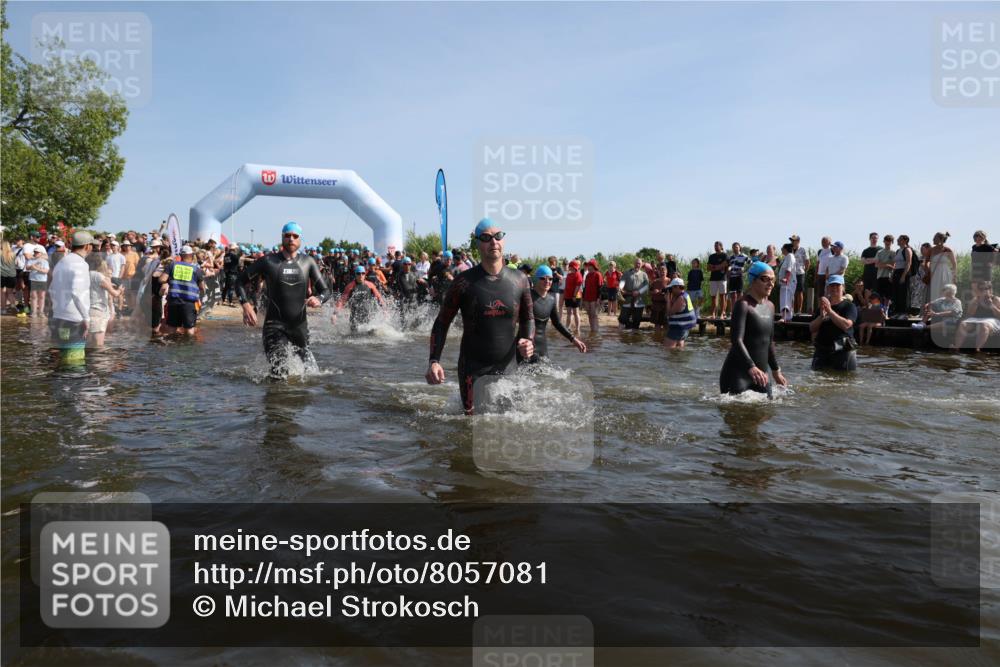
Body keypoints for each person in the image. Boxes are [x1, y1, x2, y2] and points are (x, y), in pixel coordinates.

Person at [425, 219, 534, 415]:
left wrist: (528, 340)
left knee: (510, 425)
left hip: (508, 367)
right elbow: (442, 322)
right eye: (486, 237)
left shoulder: (520, 280)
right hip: (472, 369)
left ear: (504, 240)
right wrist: (434, 361)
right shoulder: (463, 282)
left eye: (498, 236)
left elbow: (528, 318)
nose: (494, 242)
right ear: (477, 244)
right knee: (471, 429)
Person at [237, 222, 333, 379]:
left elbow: (326, 290)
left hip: (299, 327)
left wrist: (319, 299)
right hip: (274, 326)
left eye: (295, 236)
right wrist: (246, 306)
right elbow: (239, 281)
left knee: (310, 374)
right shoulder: (268, 261)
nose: (291, 239)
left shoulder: (308, 262)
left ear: (300, 239)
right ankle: (276, 403)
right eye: (287, 235)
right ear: (282, 237)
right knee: (279, 373)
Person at [719, 262, 787, 395]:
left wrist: (776, 371)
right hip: (738, 375)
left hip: (761, 376)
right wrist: (751, 366)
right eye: (765, 279)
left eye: (772, 280)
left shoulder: (771, 307)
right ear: (753, 280)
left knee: (766, 412)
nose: (771, 284)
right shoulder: (743, 305)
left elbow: (769, 342)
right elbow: (736, 340)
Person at [519, 265, 586, 363]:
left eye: (550, 279)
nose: (547, 281)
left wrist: (573, 339)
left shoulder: (551, 300)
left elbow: (557, 323)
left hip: (542, 347)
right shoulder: (527, 296)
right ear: (536, 279)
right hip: (525, 347)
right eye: (543, 278)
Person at [49, 231, 94, 363]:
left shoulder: (62, 262)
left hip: (59, 317)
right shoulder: (81, 264)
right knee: (75, 360)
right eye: (92, 245)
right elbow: (77, 292)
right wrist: (86, 318)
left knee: (64, 355)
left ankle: (62, 382)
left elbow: (51, 289)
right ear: (87, 246)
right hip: (75, 319)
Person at [809, 274, 858, 371]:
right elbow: (811, 328)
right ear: (827, 288)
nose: (834, 288)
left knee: (842, 379)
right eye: (832, 286)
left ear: (843, 288)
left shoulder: (849, 306)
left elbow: (847, 325)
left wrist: (830, 312)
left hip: (842, 349)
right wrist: (821, 317)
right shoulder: (821, 308)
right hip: (823, 349)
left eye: (837, 285)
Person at [158, 245, 206, 336]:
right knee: (189, 329)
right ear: (192, 255)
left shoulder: (172, 265)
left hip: (174, 301)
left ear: (180, 255)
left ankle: (172, 347)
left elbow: (162, 279)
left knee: (172, 328)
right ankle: (189, 347)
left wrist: (173, 280)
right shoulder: (196, 269)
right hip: (188, 303)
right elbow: (202, 287)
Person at [335, 265, 387, 330]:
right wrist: (335, 314)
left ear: (365, 274)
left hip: (368, 316)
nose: (361, 275)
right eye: (358, 273)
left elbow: (379, 297)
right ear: (355, 275)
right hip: (355, 317)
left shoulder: (370, 285)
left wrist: (384, 310)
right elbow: (342, 301)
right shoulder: (350, 287)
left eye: (363, 273)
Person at [953, 281, 1000, 352]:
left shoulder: (996, 299)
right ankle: (956, 347)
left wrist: (992, 306)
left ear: (989, 290)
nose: (982, 291)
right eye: (980, 289)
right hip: (976, 319)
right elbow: (969, 315)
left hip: (991, 320)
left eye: (984, 289)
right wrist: (975, 304)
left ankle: (977, 349)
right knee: (963, 324)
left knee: (983, 325)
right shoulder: (975, 299)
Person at [87, 254, 122, 348]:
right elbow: (114, 293)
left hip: (86, 310)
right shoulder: (98, 276)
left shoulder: (84, 274)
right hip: (98, 310)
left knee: (88, 344)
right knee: (98, 345)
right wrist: (120, 290)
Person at [664, 278, 697, 349]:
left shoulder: (681, 299)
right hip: (684, 328)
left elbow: (669, 313)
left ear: (678, 287)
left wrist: (668, 301)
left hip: (679, 328)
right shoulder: (685, 295)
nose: (671, 290)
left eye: (672, 288)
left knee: (667, 349)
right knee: (679, 350)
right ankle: (679, 360)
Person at [618, 257, 650, 330]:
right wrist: (620, 287)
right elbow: (622, 281)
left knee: (636, 321)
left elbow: (646, 285)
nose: (637, 265)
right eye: (636, 263)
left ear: (641, 265)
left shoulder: (644, 274)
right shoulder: (627, 273)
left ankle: (634, 338)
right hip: (627, 300)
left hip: (639, 301)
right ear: (634, 263)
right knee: (622, 320)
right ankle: (622, 337)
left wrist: (639, 292)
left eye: (639, 263)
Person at [928, 231, 957, 303]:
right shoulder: (932, 249)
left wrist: (954, 275)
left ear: (940, 239)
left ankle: (946, 309)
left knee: (945, 289)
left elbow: (954, 264)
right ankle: (935, 309)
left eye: (935, 238)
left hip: (945, 273)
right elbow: (928, 262)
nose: (933, 239)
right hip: (934, 273)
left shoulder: (947, 250)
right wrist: (928, 271)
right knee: (934, 290)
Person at [891, 235, 914, 318]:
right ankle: (897, 311)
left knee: (904, 293)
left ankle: (904, 312)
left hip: (903, 272)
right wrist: (892, 274)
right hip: (897, 272)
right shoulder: (898, 251)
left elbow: (908, 263)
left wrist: (903, 276)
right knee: (896, 293)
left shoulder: (907, 250)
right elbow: (895, 264)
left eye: (899, 239)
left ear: (905, 241)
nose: (897, 240)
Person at [725, 242, 749, 318]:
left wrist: (744, 270)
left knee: (740, 295)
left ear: (739, 247)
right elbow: (729, 266)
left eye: (736, 247)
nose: (735, 248)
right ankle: (733, 313)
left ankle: (740, 312)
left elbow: (751, 264)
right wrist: (728, 269)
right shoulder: (730, 257)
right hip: (732, 277)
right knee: (732, 296)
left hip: (739, 277)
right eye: (733, 247)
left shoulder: (744, 256)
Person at [26, 247, 50, 318]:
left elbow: (46, 271)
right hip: (33, 280)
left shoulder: (45, 261)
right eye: (35, 252)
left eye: (37, 252)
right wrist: (34, 267)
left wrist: (35, 268)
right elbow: (27, 267)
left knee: (42, 297)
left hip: (42, 280)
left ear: (41, 253)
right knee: (34, 297)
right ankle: (34, 312)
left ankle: (41, 312)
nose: (35, 253)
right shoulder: (31, 260)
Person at [581, 259, 603, 334]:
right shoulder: (587, 275)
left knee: (594, 314)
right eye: (588, 265)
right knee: (589, 314)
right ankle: (592, 330)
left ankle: (595, 331)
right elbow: (585, 287)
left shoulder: (598, 274)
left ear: (593, 266)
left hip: (594, 297)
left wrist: (598, 298)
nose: (588, 267)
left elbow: (600, 287)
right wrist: (583, 298)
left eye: (590, 265)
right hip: (587, 297)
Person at [707, 241, 728, 319]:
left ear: (721, 246)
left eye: (717, 246)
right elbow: (708, 268)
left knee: (722, 296)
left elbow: (724, 265)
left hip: (722, 278)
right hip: (713, 279)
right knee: (713, 297)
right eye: (714, 246)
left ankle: (722, 313)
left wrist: (714, 267)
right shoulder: (711, 256)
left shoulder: (725, 255)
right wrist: (718, 267)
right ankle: (713, 314)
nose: (715, 247)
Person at [562, 260, 583, 336]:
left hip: (576, 296)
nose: (570, 268)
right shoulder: (569, 274)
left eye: (571, 266)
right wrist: (565, 295)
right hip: (568, 296)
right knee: (568, 313)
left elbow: (578, 286)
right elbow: (567, 286)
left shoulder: (578, 274)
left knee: (575, 312)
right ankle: (567, 327)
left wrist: (574, 295)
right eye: (570, 266)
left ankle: (577, 329)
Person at [875, 234, 896, 313]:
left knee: (888, 295)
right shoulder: (879, 252)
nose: (888, 242)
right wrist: (886, 265)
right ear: (884, 241)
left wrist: (885, 265)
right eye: (886, 240)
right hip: (880, 276)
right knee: (880, 295)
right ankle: (881, 310)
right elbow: (876, 264)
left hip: (889, 276)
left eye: (889, 241)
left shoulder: (894, 252)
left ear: (892, 242)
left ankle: (886, 310)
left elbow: (894, 265)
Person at [777, 242, 797, 321]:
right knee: (785, 299)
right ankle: (787, 317)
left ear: (785, 249)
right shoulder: (786, 257)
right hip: (785, 282)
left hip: (788, 282)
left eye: (782, 248)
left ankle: (784, 317)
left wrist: (786, 278)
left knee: (786, 299)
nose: (781, 249)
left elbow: (789, 268)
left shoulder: (790, 256)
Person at [790, 235, 809, 315]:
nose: (792, 242)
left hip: (800, 273)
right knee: (792, 292)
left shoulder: (803, 249)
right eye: (791, 240)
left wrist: (805, 270)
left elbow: (807, 262)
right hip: (791, 273)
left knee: (799, 291)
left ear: (798, 241)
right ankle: (792, 310)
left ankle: (799, 310)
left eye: (794, 240)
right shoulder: (790, 249)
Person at [860, 232, 880, 299]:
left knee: (876, 291)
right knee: (867, 290)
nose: (874, 239)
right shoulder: (866, 250)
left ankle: (876, 307)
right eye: (873, 238)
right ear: (870, 239)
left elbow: (879, 260)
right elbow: (863, 261)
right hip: (867, 273)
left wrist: (868, 259)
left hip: (878, 274)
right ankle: (867, 306)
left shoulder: (881, 250)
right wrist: (874, 259)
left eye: (876, 238)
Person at [1, 241, 17, 312]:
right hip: (11, 275)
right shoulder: (13, 254)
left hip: (1, 274)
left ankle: (3, 309)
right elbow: (17, 263)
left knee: (2, 293)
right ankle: (13, 306)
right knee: (10, 292)